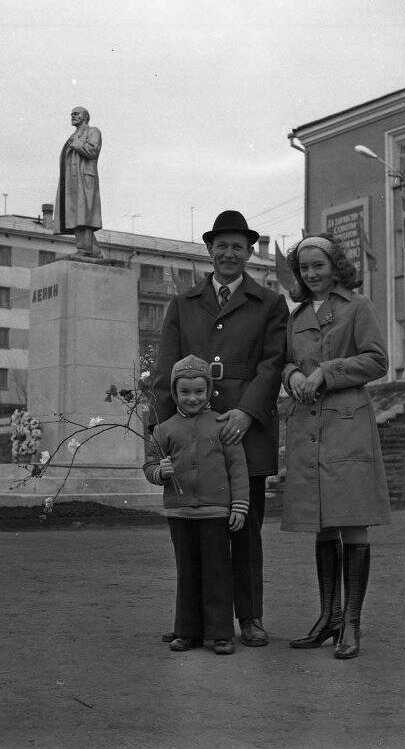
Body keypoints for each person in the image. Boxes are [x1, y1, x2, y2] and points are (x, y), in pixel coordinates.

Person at [150, 210, 288, 647]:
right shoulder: (183, 302)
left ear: (250, 252)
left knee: (244, 530)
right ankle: (193, 622)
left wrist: (246, 413)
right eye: (221, 245)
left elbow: (272, 364)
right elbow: (164, 370)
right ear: (209, 250)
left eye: (238, 246)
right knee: (192, 537)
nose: (229, 253)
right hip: (190, 439)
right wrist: (159, 434)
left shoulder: (269, 303)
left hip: (246, 433)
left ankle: (249, 618)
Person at [280, 234, 390, 659]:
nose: (311, 274)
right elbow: (289, 359)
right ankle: (328, 619)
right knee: (322, 521)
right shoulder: (299, 314)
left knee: (352, 519)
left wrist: (326, 371)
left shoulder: (357, 307)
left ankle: (352, 625)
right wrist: (291, 376)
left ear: (335, 266)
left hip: (347, 423)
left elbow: (377, 360)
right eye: (304, 268)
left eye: (318, 266)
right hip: (308, 424)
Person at [144, 355, 249, 655]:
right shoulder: (163, 430)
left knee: (217, 572)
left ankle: (220, 633)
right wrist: (158, 472)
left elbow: (238, 467)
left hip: (216, 513)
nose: (193, 398)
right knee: (187, 573)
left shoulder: (222, 424)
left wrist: (239, 505)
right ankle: (188, 632)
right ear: (175, 393)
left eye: (199, 392)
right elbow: (150, 466)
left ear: (209, 390)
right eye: (186, 392)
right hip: (180, 513)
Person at [53, 106, 102, 256]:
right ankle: (94, 251)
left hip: (84, 178)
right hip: (70, 181)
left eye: (76, 114)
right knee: (75, 214)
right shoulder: (73, 135)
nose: (73, 116)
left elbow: (93, 150)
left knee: (84, 215)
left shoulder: (93, 131)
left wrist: (76, 143)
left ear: (85, 117)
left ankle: (85, 249)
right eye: (71, 114)